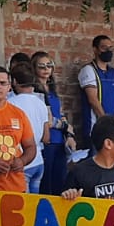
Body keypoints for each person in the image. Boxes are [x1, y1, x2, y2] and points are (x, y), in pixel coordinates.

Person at [30, 52, 74, 195]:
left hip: (59, 141)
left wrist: (69, 134)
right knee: (46, 183)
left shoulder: (52, 89)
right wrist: (62, 125)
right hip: (46, 141)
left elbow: (60, 115)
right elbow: (47, 121)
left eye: (49, 65)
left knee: (59, 181)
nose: (46, 69)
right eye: (41, 66)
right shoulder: (34, 91)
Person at [8, 65, 52, 195]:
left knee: (24, 206)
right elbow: (46, 138)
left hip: (22, 161)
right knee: (34, 204)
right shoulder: (41, 103)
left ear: (14, 81)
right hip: (38, 161)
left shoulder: (10, 104)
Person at [77, 35, 114, 142]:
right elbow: (93, 99)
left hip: (112, 128)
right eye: (104, 48)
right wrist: (105, 121)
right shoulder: (89, 70)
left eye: (110, 48)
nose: (108, 51)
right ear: (95, 49)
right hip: (94, 127)